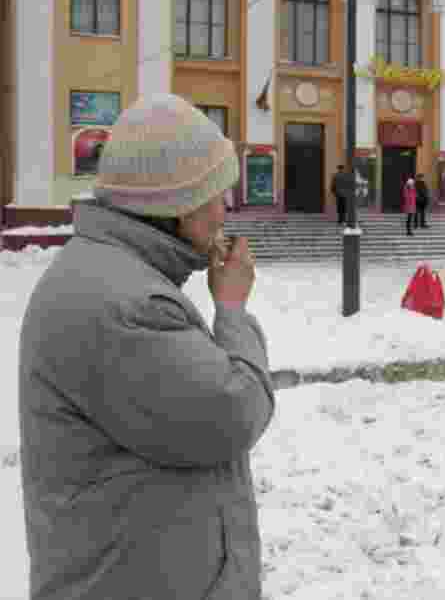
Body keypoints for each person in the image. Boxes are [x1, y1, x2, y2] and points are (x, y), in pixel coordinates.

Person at [19, 93, 274, 599]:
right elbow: (234, 411)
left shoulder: (112, 274)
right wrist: (231, 309)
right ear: (175, 204)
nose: (224, 210)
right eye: (215, 195)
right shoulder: (126, 304)